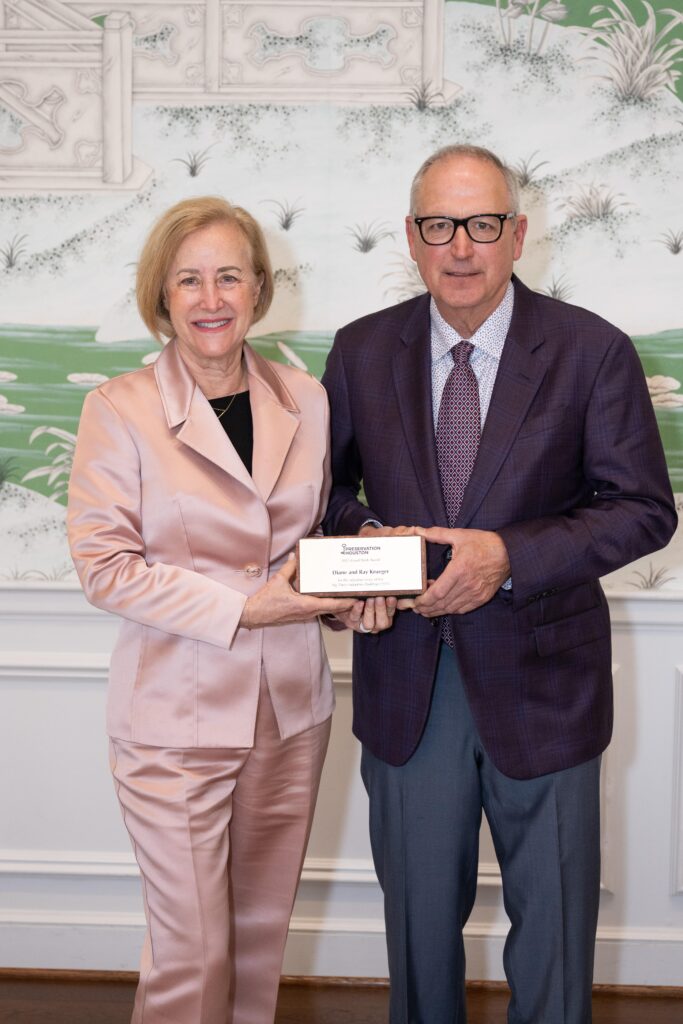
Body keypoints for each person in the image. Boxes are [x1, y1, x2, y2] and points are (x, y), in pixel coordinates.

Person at [321, 145, 677, 1023]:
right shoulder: (361, 353)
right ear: (411, 237)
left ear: (517, 235)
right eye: (439, 226)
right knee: (416, 938)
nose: (461, 248)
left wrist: (507, 557)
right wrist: (364, 540)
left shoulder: (592, 350)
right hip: (408, 685)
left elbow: (642, 509)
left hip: (545, 684)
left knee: (553, 945)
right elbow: (321, 494)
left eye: (482, 225)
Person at [67, 196, 363, 1024]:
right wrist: (248, 608)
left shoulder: (306, 398)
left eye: (229, 276)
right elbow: (106, 567)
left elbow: (313, 543)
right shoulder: (117, 409)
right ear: (160, 295)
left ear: (259, 289)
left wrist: (349, 606)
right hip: (173, 720)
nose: (210, 298)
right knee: (191, 954)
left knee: (260, 940)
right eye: (188, 279)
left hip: (291, 712)